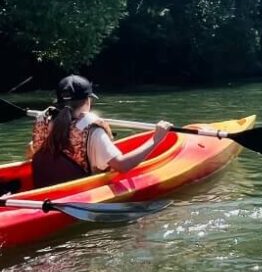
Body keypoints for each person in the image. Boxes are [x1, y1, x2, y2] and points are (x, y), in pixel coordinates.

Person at [29, 75, 172, 188]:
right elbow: (122, 165)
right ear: (87, 101)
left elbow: (31, 151)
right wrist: (156, 139)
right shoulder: (92, 130)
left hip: (44, 187)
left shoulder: (43, 120)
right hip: (77, 192)